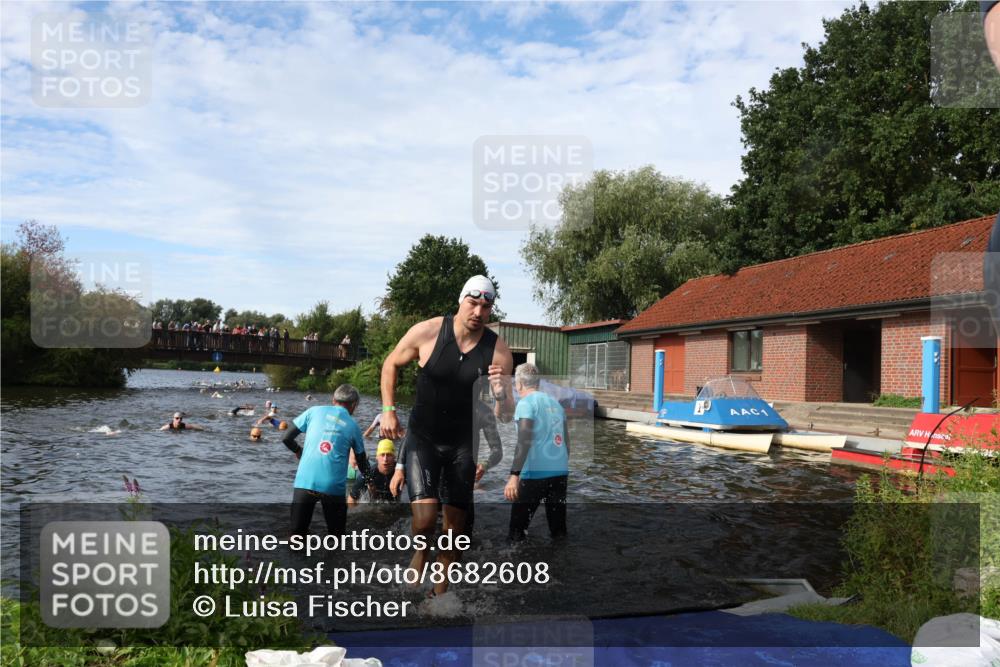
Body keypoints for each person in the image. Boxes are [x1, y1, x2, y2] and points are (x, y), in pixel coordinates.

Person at [383, 275, 514, 595]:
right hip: (423, 439)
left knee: (455, 529)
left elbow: (507, 414)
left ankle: (439, 592)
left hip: (462, 444)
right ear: (460, 300)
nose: (479, 312)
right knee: (425, 521)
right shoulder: (428, 331)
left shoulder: (498, 351)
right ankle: (421, 550)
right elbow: (390, 364)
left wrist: (500, 393)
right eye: (473, 302)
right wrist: (388, 409)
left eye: (486, 306)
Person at [282, 385, 369, 536]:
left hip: (305, 482)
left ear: (333, 400)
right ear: (355, 404)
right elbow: (361, 462)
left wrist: (298, 451)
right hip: (333, 487)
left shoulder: (313, 411)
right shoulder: (353, 425)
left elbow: (286, 438)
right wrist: (370, 479)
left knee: (297, 534)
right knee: (336, 538)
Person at [504, 363, 569, 542]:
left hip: (534, 475)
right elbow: (566, 444)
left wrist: (514, 476)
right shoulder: (557, 405)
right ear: (538, 383)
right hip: (560, 473)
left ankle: (515, 565)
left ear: (518, 384)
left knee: (516, 533)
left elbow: (523, 441)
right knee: (558, 531)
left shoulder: (525, 404)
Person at [348, 439, 399, 506]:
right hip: (375, 504)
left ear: (394, 457)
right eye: (382, 455)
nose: (385, 459)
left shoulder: (400, 472)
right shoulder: (368, 474)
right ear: (377, 457)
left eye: (389, 455)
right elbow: (352, 499)